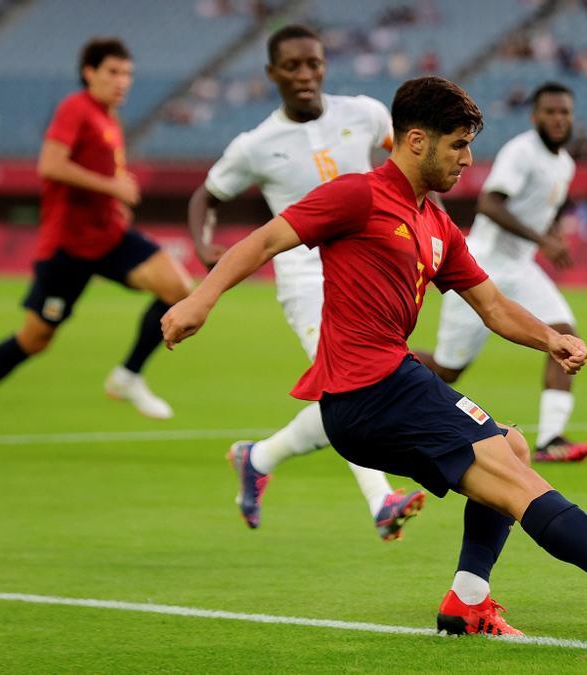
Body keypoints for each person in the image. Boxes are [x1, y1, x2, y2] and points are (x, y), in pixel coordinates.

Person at [162, 75, 587, 640]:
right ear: (417, 141)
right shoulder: (357, 194)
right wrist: (199, 299)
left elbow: (491, 305)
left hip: (382, 391)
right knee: (517, 480)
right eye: (458, 144)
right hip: (374, 390)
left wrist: (549, 338)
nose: (467, 159)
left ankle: (466, 602)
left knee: (510, 444)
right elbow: (264, 240)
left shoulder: (437, 223)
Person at [187, 25, 422, 536]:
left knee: (353, 388)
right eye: (292, 66)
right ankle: (381, 500)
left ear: (324, 65)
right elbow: (206, 195)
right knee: (351, 383)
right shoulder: (255, 145)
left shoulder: (364, 113)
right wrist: (204, 244)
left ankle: (259, 458)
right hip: (305, 278)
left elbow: (409, 167)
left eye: (313, 63)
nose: (305, 74)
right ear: (271, 74)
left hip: (371, 271)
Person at [0, 37, 189, 431]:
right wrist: (113, 187)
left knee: (178, 289)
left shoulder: (110, 118)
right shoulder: (76, 108)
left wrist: (115, 193)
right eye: (113, 72)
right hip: (68, 247)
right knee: (36, 338)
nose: (122, 81)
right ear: (89, 72)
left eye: (128, 74)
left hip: (110, 237)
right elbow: (50, 165)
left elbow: (101, 171)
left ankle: (127, 376)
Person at [413, 82, 587, 463]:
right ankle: (378, 368)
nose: (559, 119)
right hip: (483, 264)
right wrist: (541, 239)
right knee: (448, 369)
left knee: (565, 337)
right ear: (535, 116)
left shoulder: (565, 163)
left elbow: (545, 208)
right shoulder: (521, 152)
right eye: (550, 112)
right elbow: (490, 204)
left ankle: (550, 440)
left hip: (520, 267)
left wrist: (551, 235)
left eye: (565, 112)